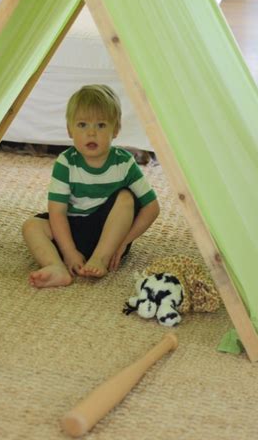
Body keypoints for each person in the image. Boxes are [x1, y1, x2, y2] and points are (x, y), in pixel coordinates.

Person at [22, 84, 160, 288]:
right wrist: (69, 252)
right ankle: (56, 267)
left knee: (125, 197)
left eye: (101, 125)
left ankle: (100, 259)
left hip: (110, 235)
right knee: (31, 226)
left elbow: (152, 207)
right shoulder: (65, 162)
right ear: (70, 130)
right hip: (73, 229)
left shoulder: (124, 162)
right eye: (82, 125)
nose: (92, 133)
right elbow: (57, 212)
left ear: (116, 130)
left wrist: (123, 242)